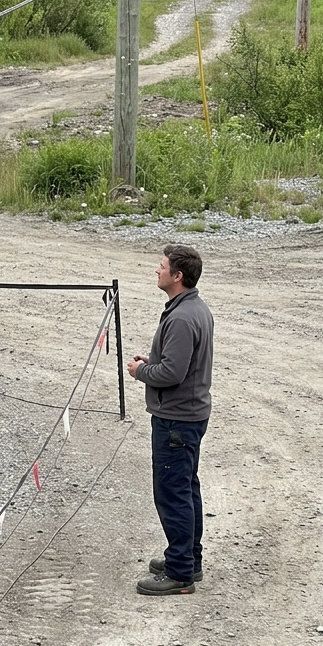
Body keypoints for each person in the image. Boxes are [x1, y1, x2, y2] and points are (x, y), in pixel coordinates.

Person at [126, 244, 214, 596]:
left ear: (178, 276)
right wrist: (157, 360)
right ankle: (189, 559)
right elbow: (181, 362)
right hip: (189, 415)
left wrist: (142, 370)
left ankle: (180, 572)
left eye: (161, 266)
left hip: (176, 419)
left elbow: (173, 373)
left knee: (172, 493)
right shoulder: (193, 308)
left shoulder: (180, 317)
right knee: (186, 488)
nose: (156, 270)